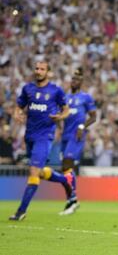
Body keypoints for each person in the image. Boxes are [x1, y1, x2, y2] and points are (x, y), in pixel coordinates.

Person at [9, 61, 72, 221]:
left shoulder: (55, 90)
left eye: (42, 69)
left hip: (44, 137)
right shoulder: (28, 88)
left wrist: (60, 116)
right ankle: (64, 180)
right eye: (36, 68)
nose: (38, 71)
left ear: (48, 72)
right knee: (40, 171)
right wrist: (17, 113)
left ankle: (21, 211)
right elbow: (19, 105)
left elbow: (66, 110)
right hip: (29, 135)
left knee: (34, 171)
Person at [59, 68, 97, 215]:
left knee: (67, 162)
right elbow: (61, 114)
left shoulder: (86, 98)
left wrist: (82, 126)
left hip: (77, 135)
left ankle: (73, 199)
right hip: (65, 136)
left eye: (76, 79)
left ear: (81, 82)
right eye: (72, 79)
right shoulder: (65, 98)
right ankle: (71, 200)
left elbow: (93, 117)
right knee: (65, 168)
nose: (73, 81)